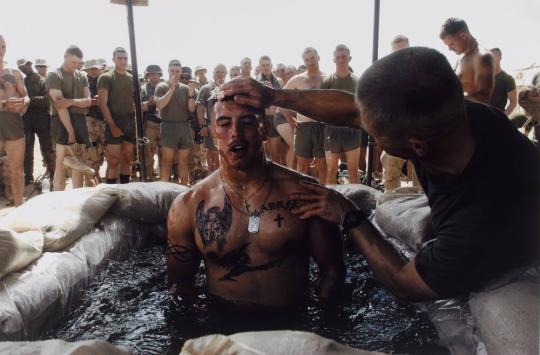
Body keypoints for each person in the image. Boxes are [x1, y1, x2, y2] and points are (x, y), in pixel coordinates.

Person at [220, 46, 540, 301]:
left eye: (374, 133)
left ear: (417, 147)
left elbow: (407, 285)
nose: (365, 130)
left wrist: (349, 215)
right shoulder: (457, 117)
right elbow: (352, 112)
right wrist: (276, 96)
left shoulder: (477, 225)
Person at [166, 97, 344, 309]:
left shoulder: (305, 192)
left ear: (264, 129)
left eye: (247, 122)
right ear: (213, 133)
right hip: (221, 329)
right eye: (224, 124)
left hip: (292, 325)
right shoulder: (189, 204)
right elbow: (180, 286)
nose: (235, 133)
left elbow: (332, 274)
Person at [46, 45, 92, 191]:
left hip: (80, 120)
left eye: (79, 63)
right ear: (65, 56)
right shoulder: (54, 75)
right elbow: (60, 106)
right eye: (74, 62)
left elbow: (89, 100)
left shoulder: (82, 75)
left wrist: (71, 101)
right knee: (61, 162)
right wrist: (70, 131)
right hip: (61, 121)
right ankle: (57, 199)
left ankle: (76, 197)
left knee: (78, 161)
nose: (76, 65)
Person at [380, 35, 420, 192]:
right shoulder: (387, 76)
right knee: (389, 163)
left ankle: (422, 207)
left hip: (419, 129)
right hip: (396, 130)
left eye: (403, 50)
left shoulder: (421, 71)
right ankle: (390, 202)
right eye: (396, 52)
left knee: (421, 171)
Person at [282, 47, 326, 182]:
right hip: (303, 127)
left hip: (322, 127)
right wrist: (289, 119)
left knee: (323, 166)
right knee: (302, 167)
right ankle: (302, 198)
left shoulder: (327, 79)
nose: (310, 62)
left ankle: (324, 198)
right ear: (304, 62)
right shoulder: (298, 79)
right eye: (307, 60)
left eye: (312, 58)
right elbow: (281, 98)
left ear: (318, 57)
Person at [321, 45, 363, 184]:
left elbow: (362, 106)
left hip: (352, 130)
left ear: (349, 58)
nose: (341, 60)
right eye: (338, 57)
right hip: (332, 131)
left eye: (344, 56)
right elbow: (320, 105)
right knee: (331, 170)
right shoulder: (327, 81)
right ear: (334, 59)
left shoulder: (358, 81)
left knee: (353, 171)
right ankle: (331, 203)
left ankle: (357, 204)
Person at [98, 47, 136, 184]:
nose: (123, 61)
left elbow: (134, 102)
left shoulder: (132, 78)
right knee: (113, 160)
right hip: (113, 120)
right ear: (113, 59)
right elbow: (103, 104)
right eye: (119, 58)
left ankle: (125, 189)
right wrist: (113, 126)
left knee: (127, 158)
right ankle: (110, 191)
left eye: (125, 58)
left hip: (129, 122)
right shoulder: (106, 77)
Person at [154, 59, 196, 185]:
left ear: (181, 71)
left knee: (184, 161)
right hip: (168, 126)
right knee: (167, 161)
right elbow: (159, 105)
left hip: (184, 126)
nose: (175, 73)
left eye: (178, 71)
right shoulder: (161, 86)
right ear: (168, 71)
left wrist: (191, 94)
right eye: (172, 71)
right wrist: (171, 89)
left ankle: (183, 190)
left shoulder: (185, 88)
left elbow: (191, 109)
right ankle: (163, 192)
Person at [0, 35, 29, 206]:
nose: (1, 50)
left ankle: (20, 209)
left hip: (13, 126)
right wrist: (4, 103)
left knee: (16, 171)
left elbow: (26, 96)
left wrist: (23, 103)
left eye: (3, 46)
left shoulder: (15, 73)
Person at [17, 58, 55, 185]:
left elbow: (46, 100)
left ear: (30, 65)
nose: (22, 69)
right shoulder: (23, 81)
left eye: (24, 67)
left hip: (42, 119)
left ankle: (53, 174)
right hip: (27, 119)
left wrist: (28, 100)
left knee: (47, 147)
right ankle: (28, 177)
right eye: (20, 68)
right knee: (27, 149)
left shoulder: (42, 80)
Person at [439, 17, 495, 104]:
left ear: (463, 35)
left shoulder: (482, 57)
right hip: (462, 113)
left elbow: (483, 97)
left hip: (475, 115)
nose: (449, 49)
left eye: (452, 44)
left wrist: (448, 101)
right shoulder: (462, 55)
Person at [197, 64, 228, 173]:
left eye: (222, 72)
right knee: (212, 158)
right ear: (213, 73)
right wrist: (203, 126)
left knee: (227, 156)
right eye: (217, 72)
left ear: (226, 73)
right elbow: (200, 109)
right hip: (211, 127)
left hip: (227, 128)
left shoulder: (229, 87)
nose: (220, 74)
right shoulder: (206, 89)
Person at [81, 59, 106, 184]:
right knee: (91, 153)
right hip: (89, 120)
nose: (94, 71)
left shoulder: (104, 81)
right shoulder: (82, 82)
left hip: (104, 120)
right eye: (91, 69)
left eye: (95, 68)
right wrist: (91, 101)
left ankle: (97, 178)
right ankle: (91, 181)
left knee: (103, 151)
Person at [257, 55, 285, 165]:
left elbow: (282, 102)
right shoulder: (256, 82)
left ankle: (275, 180)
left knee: (275, 154)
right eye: (263, 65)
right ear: (260, 67)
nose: (265, 67)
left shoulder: (279, 81)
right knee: (263, 153)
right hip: (261, 119)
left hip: (275, 119)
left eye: (267, 65)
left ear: (271, 66)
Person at [489, 48, 517, 116]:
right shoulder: (483, 77)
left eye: (494, 56)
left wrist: (503, 117)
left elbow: (513, 102)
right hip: (481, 116)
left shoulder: (507, 79)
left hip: (497, 117)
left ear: (500, 57)